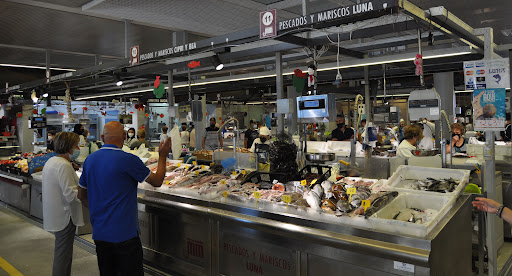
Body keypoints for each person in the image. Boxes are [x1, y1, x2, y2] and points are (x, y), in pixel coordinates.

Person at [77, 121, 171, 276]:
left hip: (100, 234)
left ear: (102, 137)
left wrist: (98, 211)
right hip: (125, 236)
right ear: (125, 136)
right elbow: (157, 181)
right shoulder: (128, 160)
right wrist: (162, 156)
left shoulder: (90, 160)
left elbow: (81, 195)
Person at [42, 132, 84, 276]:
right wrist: (85, 189)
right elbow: (71, 194)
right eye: (76, 145)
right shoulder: (63, 166)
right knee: (63, 256)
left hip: (56, 214)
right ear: (68, 147)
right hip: (65, 217)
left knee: (63, 254)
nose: (78, 148)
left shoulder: (52, 161)